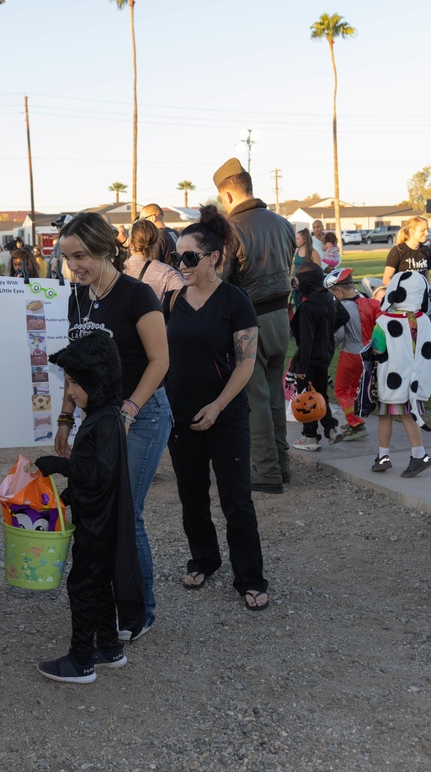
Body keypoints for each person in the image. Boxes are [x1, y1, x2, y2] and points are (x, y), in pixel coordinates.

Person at [55, 212, 170, 641]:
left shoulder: (137, 296)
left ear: (105, 248)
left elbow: (161, 361)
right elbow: (76, 368)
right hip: (99, 421)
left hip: (141, 416)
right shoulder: (77, 299)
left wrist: (128, 411)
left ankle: (141, 612)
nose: (74, 267)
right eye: (68, 259)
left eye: (80, 256)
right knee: (98, 514)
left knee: (127, 514)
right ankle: (116, 602)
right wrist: (66, 419)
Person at [163, 205, 269, 611]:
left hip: (226, 416)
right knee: (192, 495)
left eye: (189, 257)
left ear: (213, 257)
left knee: (236, 499)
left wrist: (218, 405)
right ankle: (204, 559)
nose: (181, 264)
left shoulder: (235, 301)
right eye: (176, 256)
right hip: (180, 416)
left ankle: (250, 576)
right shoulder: (170, 301)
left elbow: (246, 362)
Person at [32, 332, 144, 683]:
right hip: (97, 518)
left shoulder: (108, 421)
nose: (70, 392)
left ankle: (81, 661)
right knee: (97, 586)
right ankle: (109, 648)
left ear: (97, 380)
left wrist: (57, 464)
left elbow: (97, 473)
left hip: (99, 526)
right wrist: (64, 498)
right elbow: (97, 477)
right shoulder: (100, 416)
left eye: (76, 383)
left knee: (82, 586)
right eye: (68, 383)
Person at [215, 157, 296, 494]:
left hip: (252, 321)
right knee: (275, 395)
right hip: (282, 317)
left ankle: (266, 472)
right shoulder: (283, 223)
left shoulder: (231, 230)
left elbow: (223, 281)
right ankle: (282, 464)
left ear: (228, 196)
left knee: (256, 398)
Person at [370, 270, 431, 478]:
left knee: (386, 416)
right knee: (409, 415)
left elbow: (378, 349)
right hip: (415, 380)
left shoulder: (384, 321)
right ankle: (416, 454)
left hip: (392, 379)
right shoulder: (424, 319)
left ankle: (388, 456)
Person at [289, 263, 349, 451]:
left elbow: (306, 341)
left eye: (297, 280)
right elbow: (344, 316)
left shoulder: (308, 307)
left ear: (305, 281)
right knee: (320, 394)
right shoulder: (330, 298)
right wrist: (327, 331)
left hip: (309, 360)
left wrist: (302, 368)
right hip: (325, 357)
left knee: (307, 398)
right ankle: (331, 428)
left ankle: (310, 437)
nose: (296, 284)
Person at [325, 267, 381, 440]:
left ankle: (355, 424)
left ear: (339, 290)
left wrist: (329, 348)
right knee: (355, 388)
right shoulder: (367, 300)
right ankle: (354, 420)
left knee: (341, 390)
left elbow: (340, 334)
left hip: (350, 352)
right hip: (368, 352)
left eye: (332, 293)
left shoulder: (341, 307)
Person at [126, 219, 185, 299]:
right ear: (155, 242)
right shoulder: (168, 273)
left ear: (131, 244)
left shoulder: (116, 270)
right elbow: (186, 299)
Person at [382, 216, 431, 286]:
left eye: (427, 230)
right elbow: (386, 279)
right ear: (412, 231)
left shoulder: (426, 250)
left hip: (421, 293)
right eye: (422, 230)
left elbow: (427, 278)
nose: (427, 233)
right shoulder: (398, 251)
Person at [290, 228, 321, 310]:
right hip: (296, 286)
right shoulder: (297, 250)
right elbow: (294, 264)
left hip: (307, 287)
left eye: (297, 238)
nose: (295, 240)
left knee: (306, 308)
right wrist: (292, 275)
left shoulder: (313, 253)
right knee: (297, 307)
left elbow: (318, 271)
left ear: (304, 240)